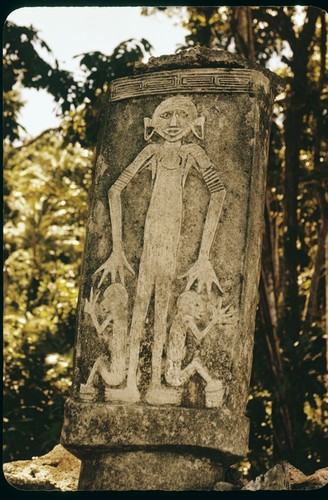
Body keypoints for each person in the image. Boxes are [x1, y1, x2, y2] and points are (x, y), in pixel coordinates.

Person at [95, 96, 226, 405]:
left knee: (162, 312)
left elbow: (218, 193)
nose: (174, 124)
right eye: (167, 116)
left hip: (169, 246)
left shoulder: (193, 152)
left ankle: (154, 384)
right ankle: (130, 384)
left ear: (192, 123)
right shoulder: (151, 150)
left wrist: (204, 255)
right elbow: (115, 190)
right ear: (156, 121)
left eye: (181, 116)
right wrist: (116, 249)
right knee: (141, 311)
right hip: (152, 242)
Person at [165, 291, 232, 407]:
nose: (199, 309)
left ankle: (212, 384)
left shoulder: (178, 318)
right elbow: (199, 336)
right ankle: (211, 384)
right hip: (174, 378)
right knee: (196, 363)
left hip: (172, 371)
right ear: (185, 306)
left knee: (196, 360)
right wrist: (213, 322)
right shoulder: (186, 319)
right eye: (196, 305)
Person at [79, 283, 128, 400]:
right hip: (119, 375)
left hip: (114, 378)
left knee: (99, 361)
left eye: (109, 299)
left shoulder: (115, 315)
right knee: (102, 361)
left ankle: (88, 385)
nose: (106, 302)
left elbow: (100, 330)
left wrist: (92, 313)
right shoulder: (123, 316)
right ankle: (88, 386)